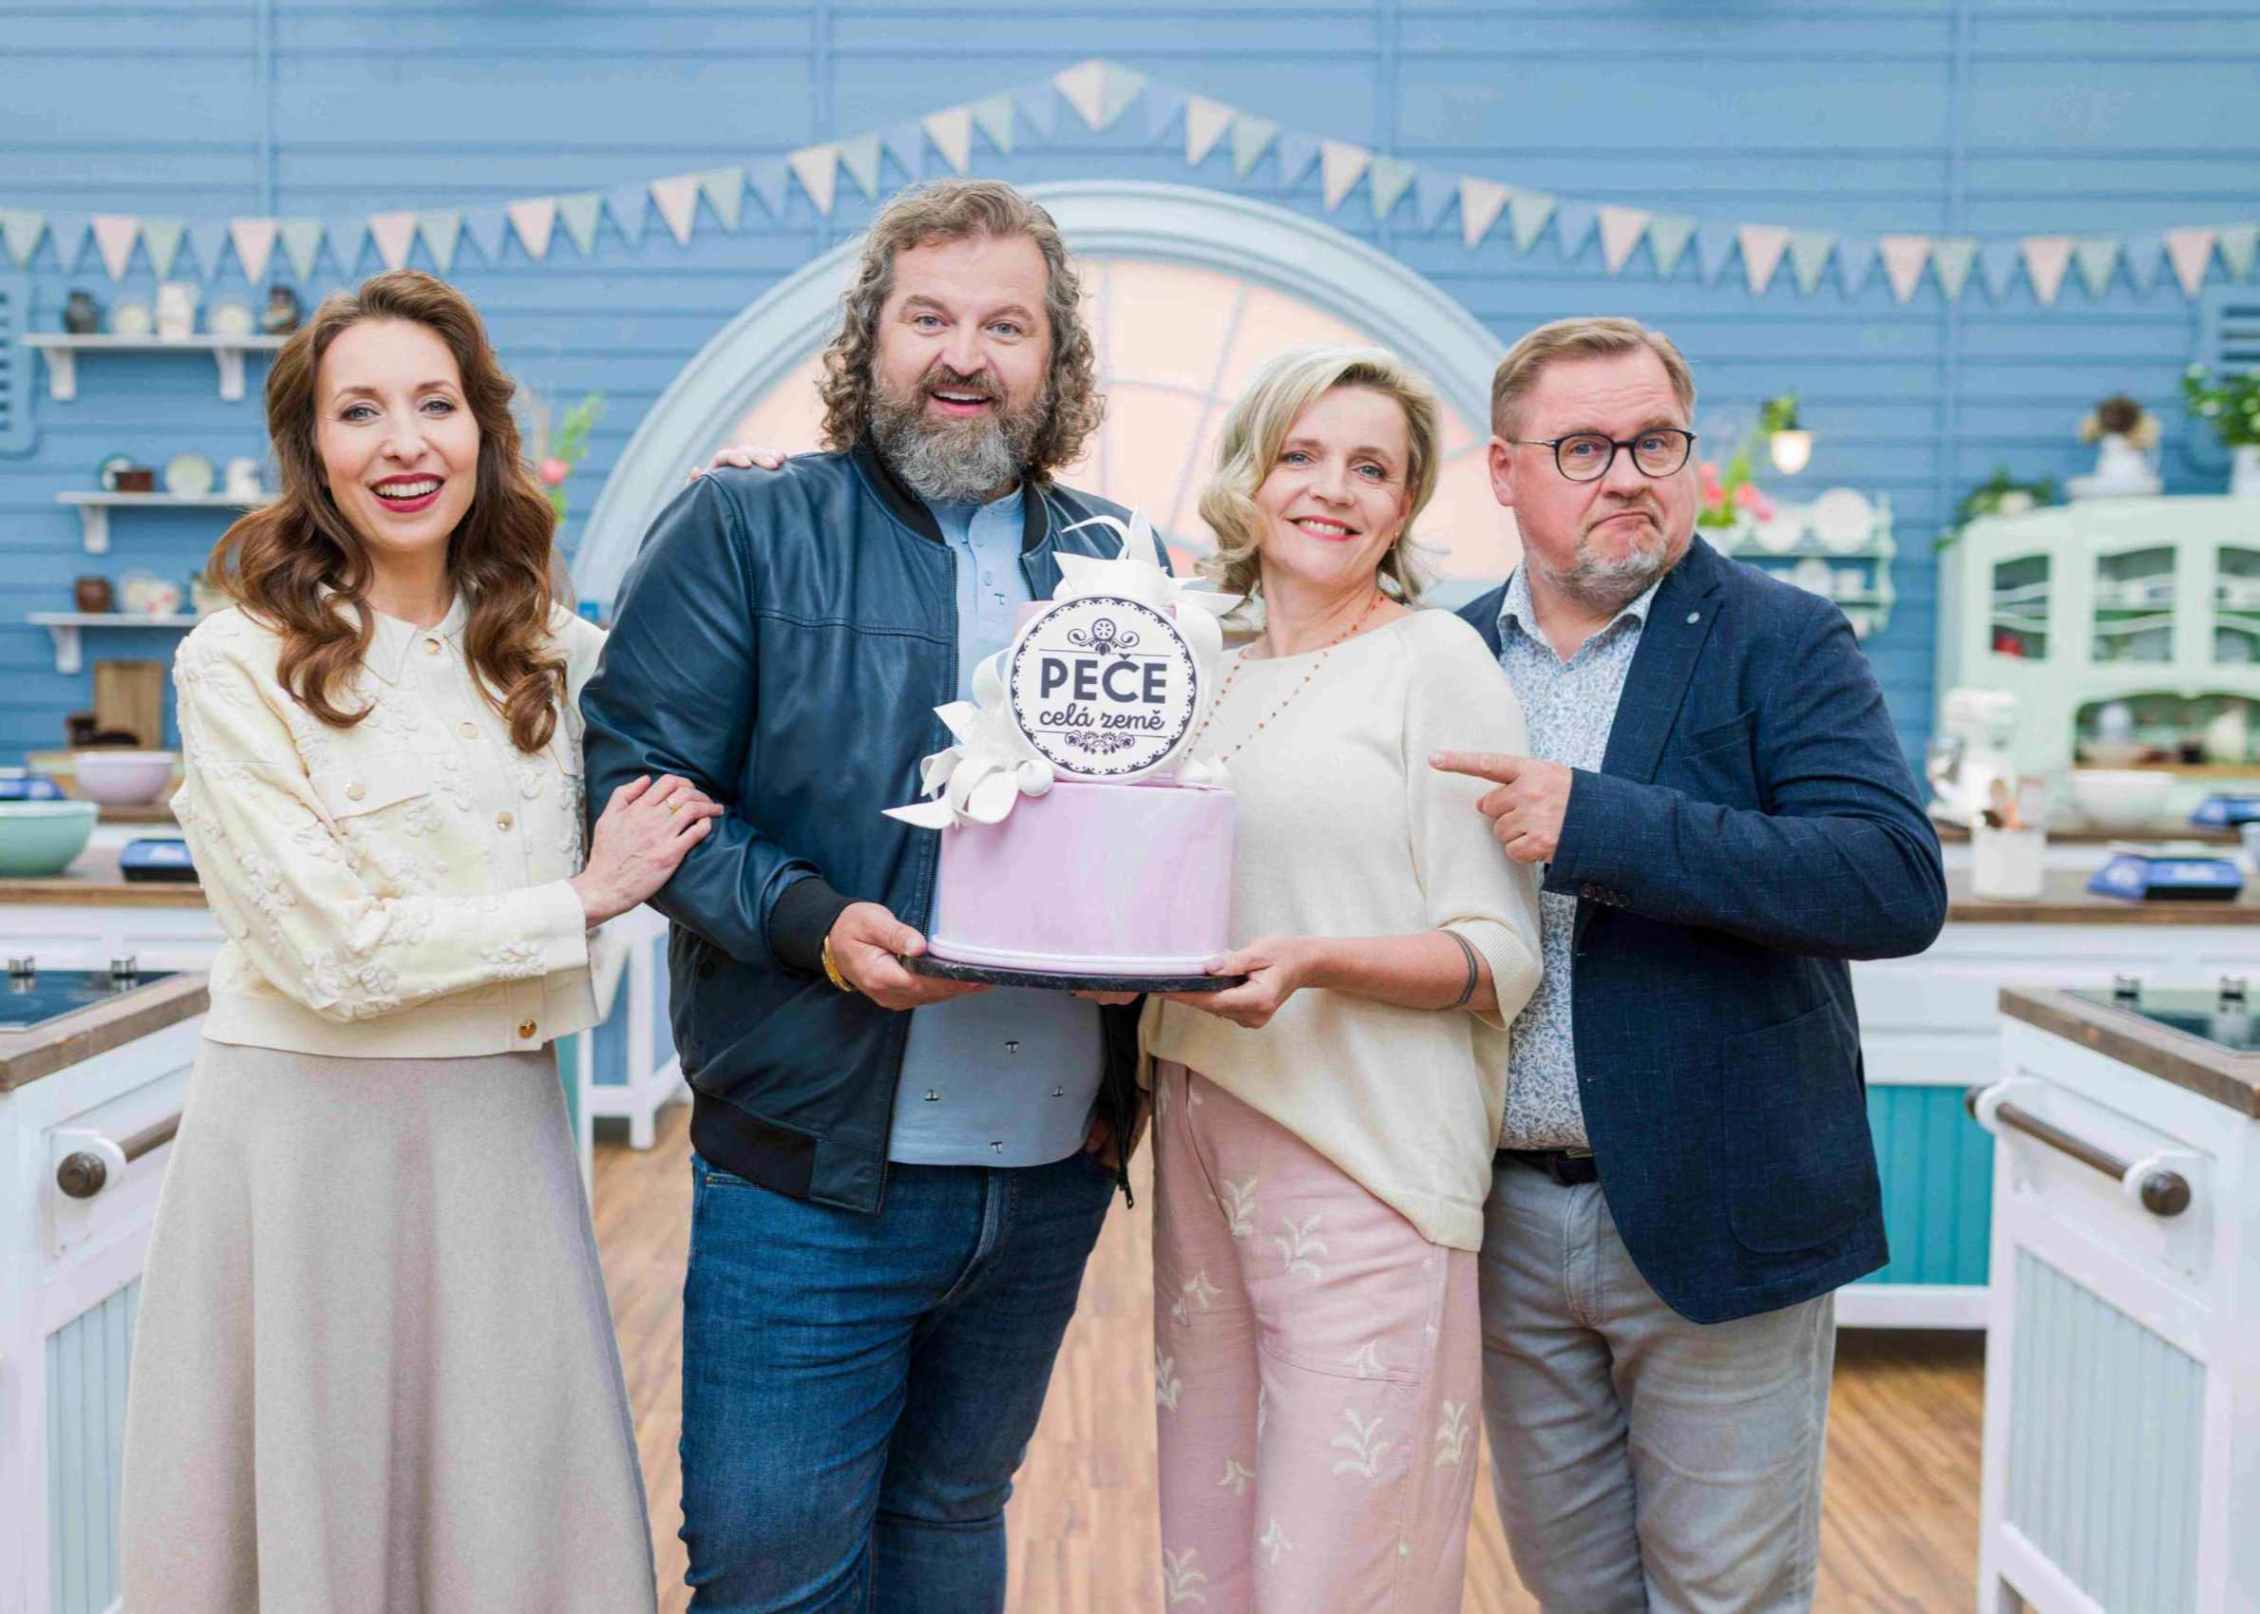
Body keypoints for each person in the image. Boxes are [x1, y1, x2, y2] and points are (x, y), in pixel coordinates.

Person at [581, 178, 1152, 1614]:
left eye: (1006, 326)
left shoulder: (1121, 561)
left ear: (1055, 357)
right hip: (812, 1173)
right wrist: (815, 925)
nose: (965, 355)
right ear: (870, 339)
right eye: (928, 318)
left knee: (950, 1522)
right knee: (774, 1576)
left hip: (1045, 1170)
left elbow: (1160, 812)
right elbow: (640, 787)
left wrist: (1146, 964)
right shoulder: (743, 528)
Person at [121, 268, 714, 1613]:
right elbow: (328, 953)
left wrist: (742, 518)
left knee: (511, 1508)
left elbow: (713, 704)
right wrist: (580, 899)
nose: (404, 444)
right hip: (300, 1143)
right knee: (317, 1511)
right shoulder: (236, 661)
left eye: (435, 405)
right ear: (311, 447)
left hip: (499, 1131)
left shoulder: (549, 651)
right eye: (360, 411)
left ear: (483, 431)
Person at [1438, 316, 1947, 1611]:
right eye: (1583, 447)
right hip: (1500, 1217)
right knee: (1574, 1590)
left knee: (1726, 1596)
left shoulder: (1783, 639)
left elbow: (1889, 880)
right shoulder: (1441, 655)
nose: (1626, 476)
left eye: (1653, 443)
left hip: (1720, 1207)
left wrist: (1598, 824)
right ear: (1503, 471)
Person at [1135, 347, 1542, 1613]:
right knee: (1208, 1552)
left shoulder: (1435, 663)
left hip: (1367, 1153)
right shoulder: (1195, 661)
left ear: (1405, 504)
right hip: (1199, 1128)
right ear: (1249, 473)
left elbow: (1496, 952)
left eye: (1371, 468)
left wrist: (1312, 963)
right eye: (1301, 455)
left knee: (1336, 1568)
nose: (1331, 489)